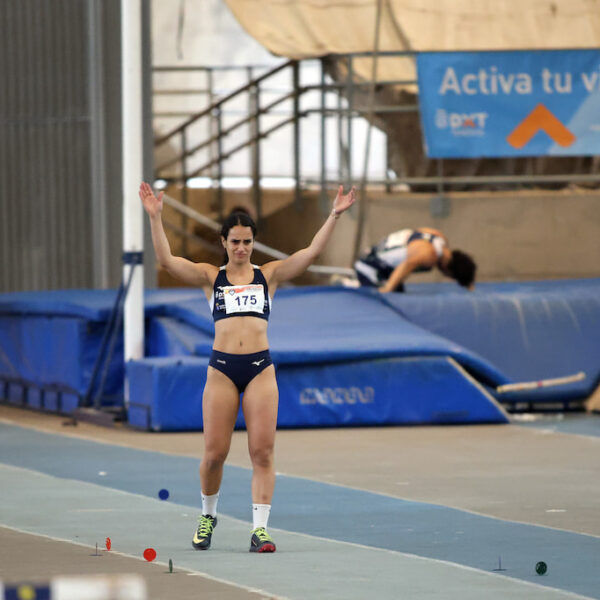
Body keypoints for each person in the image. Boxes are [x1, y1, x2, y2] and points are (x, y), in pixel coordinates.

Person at [139, 181, 356, 553]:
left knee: (263, 452)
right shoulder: (212, 277)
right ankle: (207, 515)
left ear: (253, 243)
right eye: (235, 241)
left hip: (259, 369)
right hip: (222, 369)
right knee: (214, 454)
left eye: (247, 241)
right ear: (223, 242)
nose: (241, 248)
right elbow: (167, 262)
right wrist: (156, 219)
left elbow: (310, 253)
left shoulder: (267, 275)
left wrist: (334, 215)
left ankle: (260, 530)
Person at [353, 227, 476, 292]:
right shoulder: (430, 256)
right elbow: (405, 266)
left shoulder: (439, 237)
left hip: (378, 258)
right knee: (389, 295)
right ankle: (349, 284)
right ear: (449, 271)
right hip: (369, 266)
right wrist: (388, 289)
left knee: (397, 289)